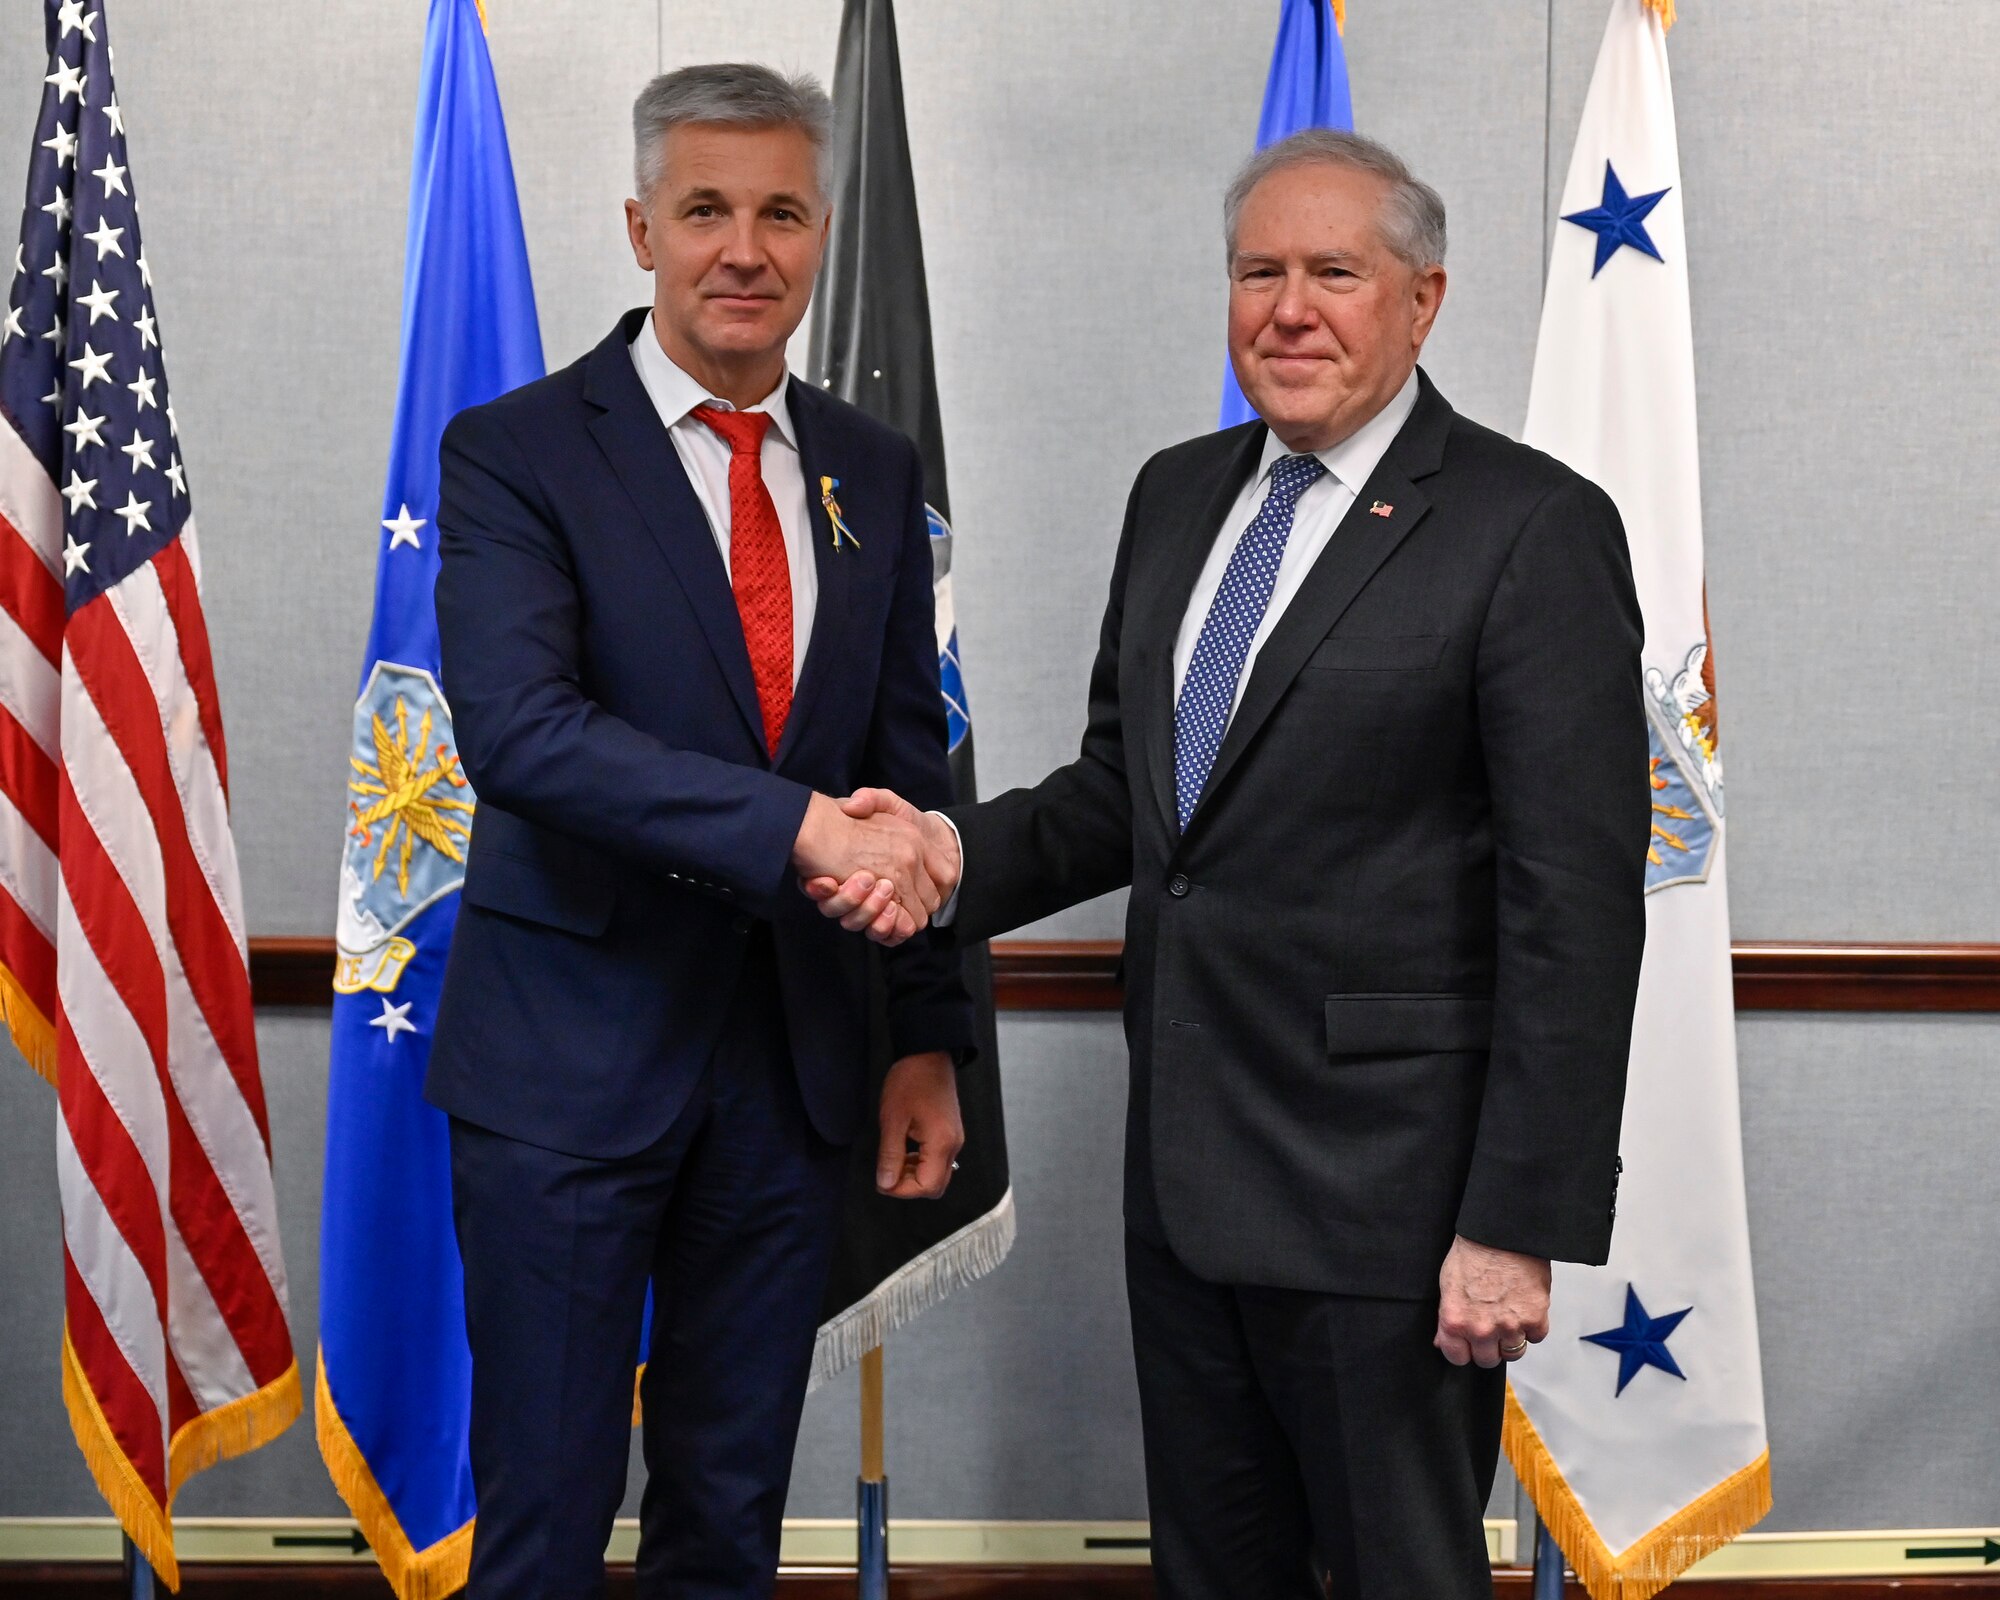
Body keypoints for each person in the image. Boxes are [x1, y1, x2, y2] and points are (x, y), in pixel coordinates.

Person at [811, 128, 1650, 1599]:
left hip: (1396, 1207)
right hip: (1188, 1182)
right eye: (1258, 271)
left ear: (1424, 301)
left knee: (1399, 1574)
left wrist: (1516, 1224)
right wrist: (939, 853)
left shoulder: (1533, 530)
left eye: (1336, 271)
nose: (1290, 308)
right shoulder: (1180, 495)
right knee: (1215, 1574)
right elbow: (1127, 795)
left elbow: (1573, 907)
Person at [427, 63, 969, 1600]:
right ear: (640, 228)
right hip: (567, 1072)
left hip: (793, 1075)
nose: (747, 249)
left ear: (818, 232)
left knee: (729, 1518)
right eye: (708, 211)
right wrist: (799, 827)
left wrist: (924, 1032)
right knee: (541, 1514)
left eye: (782, 212)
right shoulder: (518, 449)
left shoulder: (872, 464)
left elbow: (904, 765)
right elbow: (522, 736)